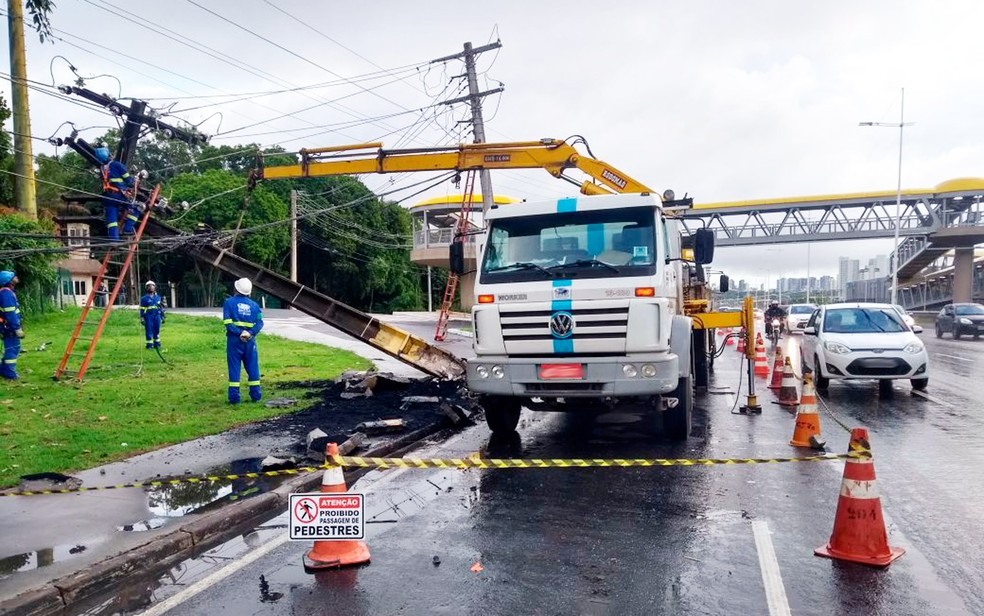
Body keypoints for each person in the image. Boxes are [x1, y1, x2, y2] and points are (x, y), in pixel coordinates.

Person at [222, 278, 263, 404]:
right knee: (252, 367)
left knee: (234, 367)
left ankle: (234, 398)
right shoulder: (255, 306)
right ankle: (256, 395)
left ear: (236, 289)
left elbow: (228, 323)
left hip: (234, 340)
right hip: (250, 341)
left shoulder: (228, 303)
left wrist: (240, 333)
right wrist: (249, 333)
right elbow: (260, 322)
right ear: (249, 292)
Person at [94, 145, 137, 241]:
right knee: (137, 208)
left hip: (107, 197)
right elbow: (129, 181)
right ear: (109, 154)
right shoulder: (117, 165)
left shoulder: (102, 169)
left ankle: (114, 240)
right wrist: (135, 180)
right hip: (119, 196)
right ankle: (127, 229)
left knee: (112, 219)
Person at [0, 271, 24, 380]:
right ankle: (9, 373)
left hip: (8, 326)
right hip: (9, 327)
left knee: (13, 347)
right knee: (12, 349)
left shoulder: (7, 292)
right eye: (13, 276)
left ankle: (4, 369)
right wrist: (17, 328)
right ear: (9, 281)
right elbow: (10, 313)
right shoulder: (6, 293)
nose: (16, 277)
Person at [139, 281, 166, 349]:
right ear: (146, 288)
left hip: (157, 315)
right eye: (149, 286)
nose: (151, 287)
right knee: (149, 329)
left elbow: (161, 307)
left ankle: (157, 343)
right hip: (148, 316)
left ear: (155, 287)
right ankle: (149, 345)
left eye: (153, 286)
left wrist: (162, 316)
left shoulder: (158, 297)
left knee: (157, 329)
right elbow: (142, 309)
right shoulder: (144, 298)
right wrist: (142, 318)